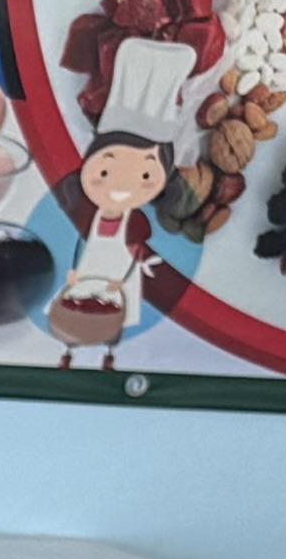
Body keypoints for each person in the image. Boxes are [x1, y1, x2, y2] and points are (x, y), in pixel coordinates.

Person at [54, 35, 197, 365]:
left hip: (119, 279)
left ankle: (109, 355)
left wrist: (123, 279)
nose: (120, 185)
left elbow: (138, 253)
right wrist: (74, 273)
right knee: (76, 313)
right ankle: (69, 353)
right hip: (89, 272)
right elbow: (76, 243)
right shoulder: (86, 212)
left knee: (112, 320)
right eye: (105, 171)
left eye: (146, 175)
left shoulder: (137, 222)